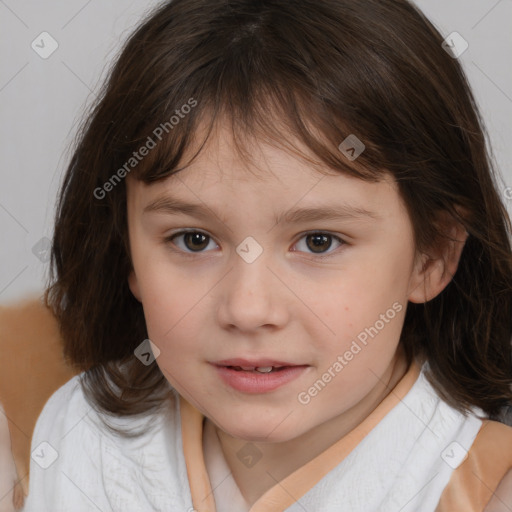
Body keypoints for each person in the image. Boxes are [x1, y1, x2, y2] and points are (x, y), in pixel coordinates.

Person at [20, 0, 512, 510]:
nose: (248, 309)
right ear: (127, 251)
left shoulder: (484, 488)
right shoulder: (82, 437)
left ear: (431, 256)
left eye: (319, 241)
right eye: (193, 240)